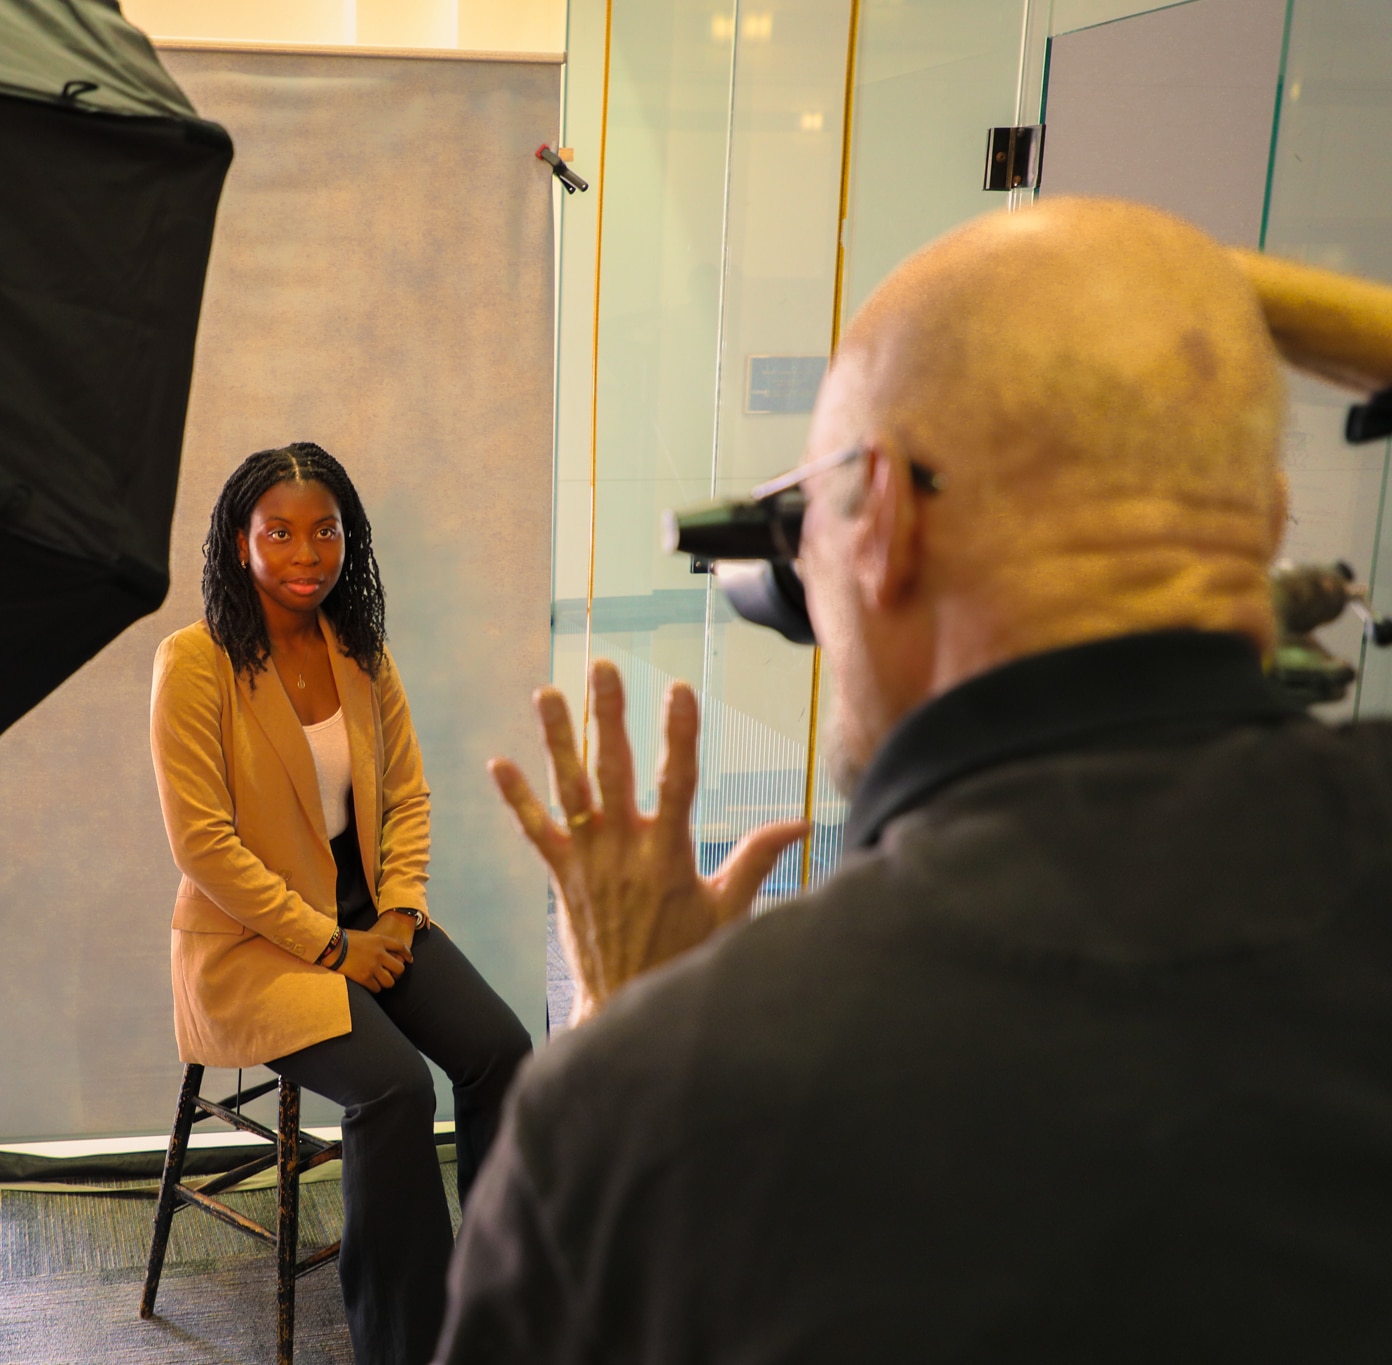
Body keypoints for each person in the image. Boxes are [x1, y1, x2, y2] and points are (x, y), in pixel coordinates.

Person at [436, 197, 1392, 1362]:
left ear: (880, 517)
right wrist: (1165, 290)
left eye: (810, 517)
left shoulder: (653, 1115)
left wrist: (623, 1030)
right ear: (1268, 523)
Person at [150, 441, 533, 1365]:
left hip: (369, 913)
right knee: (396, 1087)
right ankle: (408, 1344)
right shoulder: (194, 664)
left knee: (500, 1051)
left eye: (324, 531)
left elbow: (406, 792)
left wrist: (398, 910)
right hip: (252, 943)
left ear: (348, 539)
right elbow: (204, 846)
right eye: (278, 532)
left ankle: (494, 1292)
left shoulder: (358, 651)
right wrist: (332, 948)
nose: (305, 555)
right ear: (238, 542)